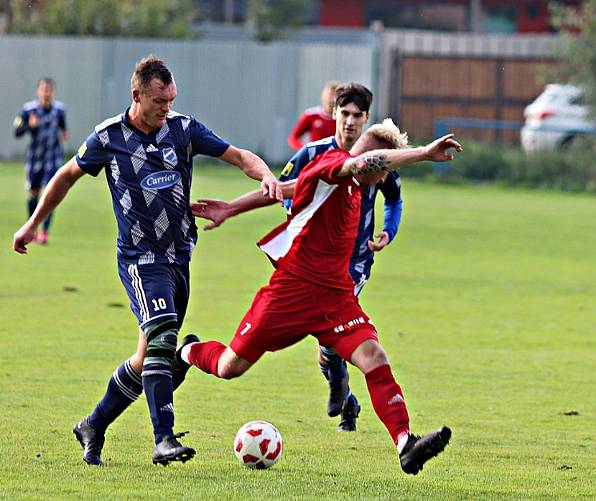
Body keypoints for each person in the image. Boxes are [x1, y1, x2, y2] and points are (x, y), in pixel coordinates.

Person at [12, 55, 282, 466]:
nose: (166, 108)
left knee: (146, 358)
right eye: (159, 101)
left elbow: (239, 155)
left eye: (171, 100)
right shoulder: (108, 137)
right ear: (136, 95)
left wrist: (265, 175)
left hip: (179, 256)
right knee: (162, 336)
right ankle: (163, 439)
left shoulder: (184, 129)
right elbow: (67, 174)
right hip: (140, 259)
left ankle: (93, 424)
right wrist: (34, 223)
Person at [178, 121, 461, 474]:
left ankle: (406, 443)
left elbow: (285, 189)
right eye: (384, 170)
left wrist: (231, 208)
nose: (384, 178)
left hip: (335, 296)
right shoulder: (335, 165)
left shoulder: (349, 185)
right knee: (229, 366)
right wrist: (422, 153)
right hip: (291, 292)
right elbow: (360, 165)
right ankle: (186, 351)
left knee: (373, 355)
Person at [192, 83, 403, 432]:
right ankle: (343, 393)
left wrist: (388, 230)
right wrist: (298, 209)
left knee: (334, 339)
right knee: (328, 341)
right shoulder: (312, 154)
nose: (350, 122)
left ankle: (340, 387)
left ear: (367, 119)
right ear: (334, 114)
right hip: (308, 262)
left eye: (357, 116)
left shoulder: (380, 159)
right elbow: (280, 189)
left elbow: (394, 198)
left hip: (354, 262)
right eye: (344, 114)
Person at [13, 78, 69, 244]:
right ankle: (32, 229)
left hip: (53, 159)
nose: (46, 91)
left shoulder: (59, 110)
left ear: (53, 91)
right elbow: (17, 131)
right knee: (34, 193)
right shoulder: (28, 110)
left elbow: (63, 129)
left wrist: (64, 134)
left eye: (49, 89)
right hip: (35, 160)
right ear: (38, 91)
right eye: (43, 88)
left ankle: (44, 232)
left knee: (50, 194)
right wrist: (30, 126)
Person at [287, 80, 338, 151]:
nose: (331, 100)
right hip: (316, 160)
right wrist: (305, 151)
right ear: (322, 96)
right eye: (329, 95)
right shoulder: (311, 115)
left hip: (336, 159)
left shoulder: (343, 118)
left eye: (334, 96)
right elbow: (293, 138)